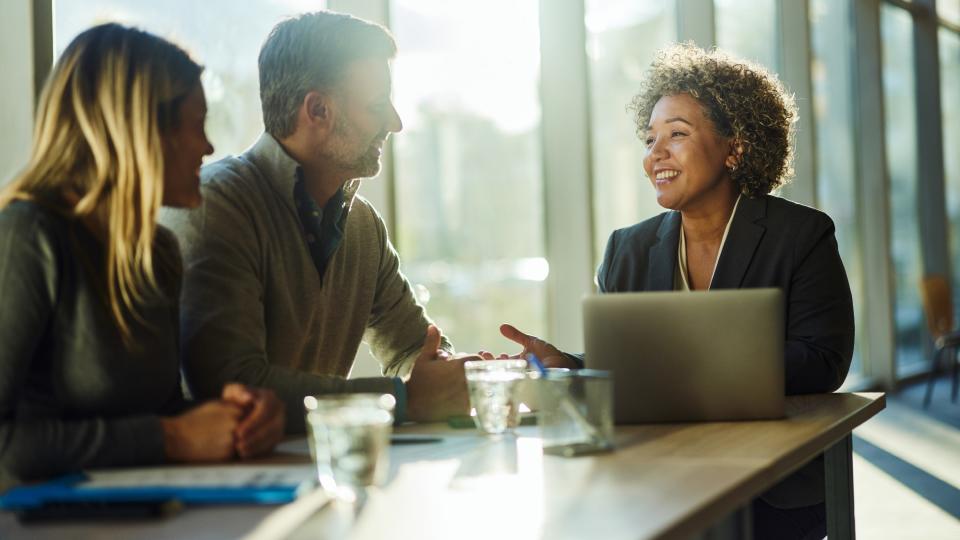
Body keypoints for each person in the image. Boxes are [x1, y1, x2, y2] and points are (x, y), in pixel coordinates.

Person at [500, 44, 854, 540]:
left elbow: (823, 360)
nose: (655, 155)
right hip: (654, 472)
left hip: (771, 484)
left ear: (736, 147)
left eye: (677, 135)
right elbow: (626, 362)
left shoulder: (801, 234)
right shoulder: (627, 249)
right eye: (650, 139)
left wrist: (692, 368)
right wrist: (572, 366)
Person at [0, 23, 285, 490]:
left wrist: (242, 419)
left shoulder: (158, 253)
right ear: (141, 131)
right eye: (197, 125)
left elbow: (161, 412)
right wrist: (171, 437)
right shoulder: (28, 237)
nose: (209, 148)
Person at [159, 11, 472, 433]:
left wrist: (462, 375)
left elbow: (415, 348)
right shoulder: (217, 205)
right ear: (318, 110)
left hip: (315, 474)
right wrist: (403, 399)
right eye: (377, 106)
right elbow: (230, 384)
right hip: (223, 488)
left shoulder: (363, 226)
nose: (394, 123)